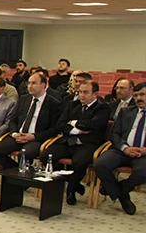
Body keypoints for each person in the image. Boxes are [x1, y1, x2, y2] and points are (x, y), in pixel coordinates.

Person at [40, 80, 110, 206]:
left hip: (88, 144)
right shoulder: (73, 105)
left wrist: (72, 122)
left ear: (95, 94)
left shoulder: (102, 107)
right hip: (69, 141)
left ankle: (71, 190)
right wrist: (76, 130)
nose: (82, 95)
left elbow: (94, 124)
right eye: (80, 92)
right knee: (46, 156)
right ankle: (71, 181)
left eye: (85, 92)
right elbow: (60, 124)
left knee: (79, 162)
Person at [0, 72, 63, 176]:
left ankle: (21, 176)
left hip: (36, 138)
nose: (30, 86)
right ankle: (18, 172)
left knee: (24, 154)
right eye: (29, 83)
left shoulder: (54, 104)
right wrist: (15, 134)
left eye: (34, 83)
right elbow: (12, 120)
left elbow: (54, 129)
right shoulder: (23, 99)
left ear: (43, 85)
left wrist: (33, 136)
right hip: (18, 135)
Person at [93, 82, 146, 215]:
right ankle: (122, 195)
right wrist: (125, 148)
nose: (139, 98)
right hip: (122, 150)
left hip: (143, 154)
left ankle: (121, 188)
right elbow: (114, 134)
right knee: (100, 164)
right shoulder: (126, 111)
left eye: (142, 95)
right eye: (136, 95)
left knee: (142, 173)